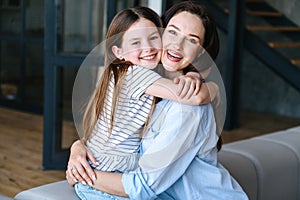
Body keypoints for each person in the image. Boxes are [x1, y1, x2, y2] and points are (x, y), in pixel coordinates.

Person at [67, 1, 248, 199]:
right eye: (172, 32)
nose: (178, 45)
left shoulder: (186, 109)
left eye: (192, 40)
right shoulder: (147, 86)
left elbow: (142, 187)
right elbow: (113, 134)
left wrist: (82, 176)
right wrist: (78, 147)